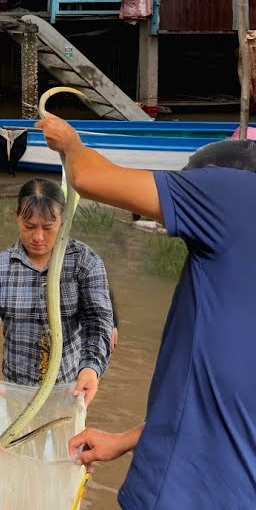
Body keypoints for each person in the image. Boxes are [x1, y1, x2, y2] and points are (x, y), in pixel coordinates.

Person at [36, 118, 256, 508]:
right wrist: (125, 441)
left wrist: (69, 144)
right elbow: (224, 403)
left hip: (180, 492)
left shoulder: (232, 191)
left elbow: (87, 176)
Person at [0, 179, 114, 406]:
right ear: (16, 217)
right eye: (29, 226)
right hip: (17, 391)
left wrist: (91, 368)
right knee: (19, 439)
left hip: (68, 388)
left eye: (48, 227)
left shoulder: (85, 262)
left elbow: (98, 322)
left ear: (63, 221)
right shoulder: (2, 267)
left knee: (65, 442)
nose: (38, 237)